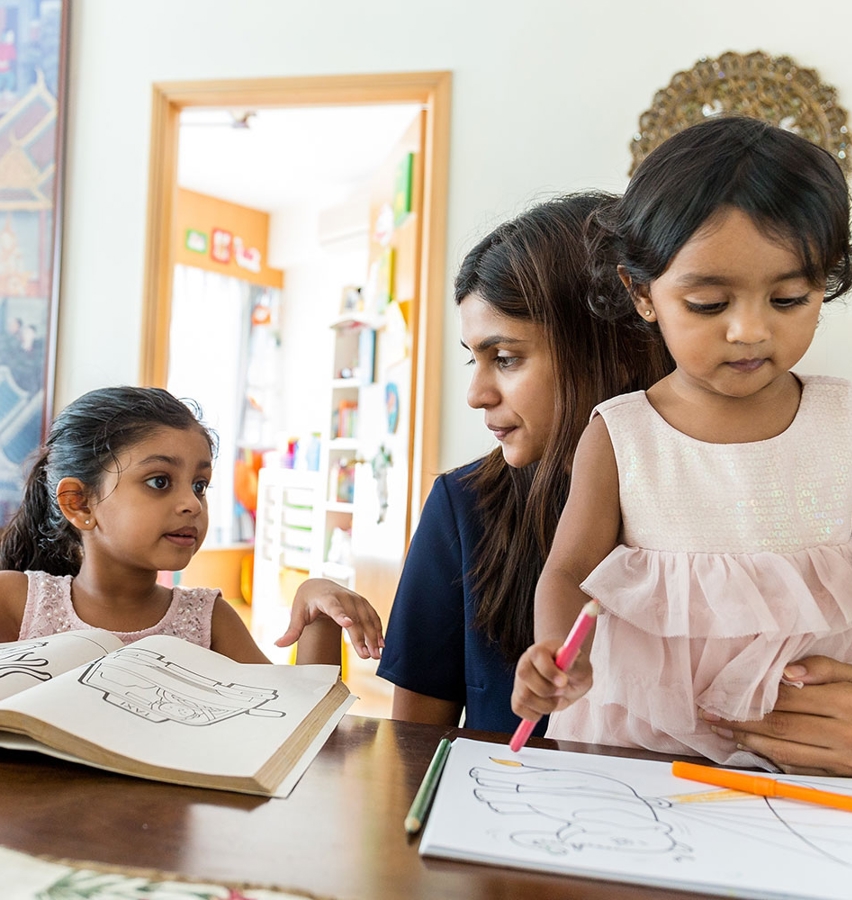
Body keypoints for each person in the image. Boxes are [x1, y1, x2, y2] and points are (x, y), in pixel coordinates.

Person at [511, 117, 852, 775]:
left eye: (788, 298)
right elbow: (570, 571)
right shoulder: (621, 432)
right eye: (710, 304)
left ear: (824, 285)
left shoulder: (848, 416)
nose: (749, 330)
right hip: (645, 732)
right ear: (643, 294)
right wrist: (557, 647)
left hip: (816, 734)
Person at [279, 192, 672, 732]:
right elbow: (415, 752)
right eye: (474, 358)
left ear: (611, 348)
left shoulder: (712, 499)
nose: (476, 394)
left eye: (506, 358)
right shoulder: (462, 509)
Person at [0, 385, 270, 662]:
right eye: (159, 482)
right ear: (79, 503)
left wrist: (315, 618)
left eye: (199, 485)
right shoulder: (15, 601)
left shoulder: (211, 620)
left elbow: (296, 703)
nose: (193, 503)